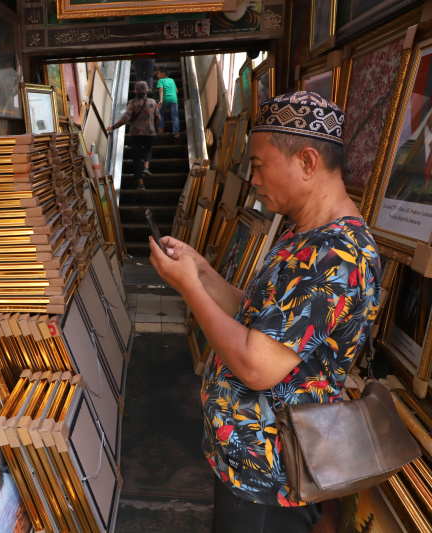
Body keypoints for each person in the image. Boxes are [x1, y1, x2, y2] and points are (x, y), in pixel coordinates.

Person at [148, 91, 381, 533]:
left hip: (271, 481)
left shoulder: (339, 256)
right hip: (245, 467)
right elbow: (259, 315)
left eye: (258, 165)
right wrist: (201, 271)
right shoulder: (305, 235)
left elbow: (257, 364)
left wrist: (190, 288)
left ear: (308, 162)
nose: (252, 179)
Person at [108, 81, 160, 190]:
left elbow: (125, 119)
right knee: (148, 149)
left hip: (135, 134)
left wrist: (113, 127)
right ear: (146, 91)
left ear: (135, 91)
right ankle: (146, 166)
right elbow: (158, 118)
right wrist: (154, 128)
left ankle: (141, 183)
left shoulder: (132, 103)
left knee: (136, 159)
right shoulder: (153, 102)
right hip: (149, 133)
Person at [156, 67, 179, 138]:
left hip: (165, 99)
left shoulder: (160, 81)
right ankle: (176, 133)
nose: (157, 75)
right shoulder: (172, 80)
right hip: (174, 100)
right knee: (175, 116)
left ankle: (160, 128)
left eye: (158, 73)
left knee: (160, 113)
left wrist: (161, 100)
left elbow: (161, 89)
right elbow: (177, 91)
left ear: (163, 74)